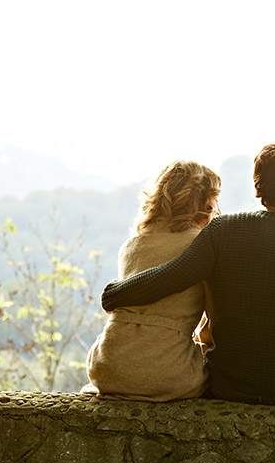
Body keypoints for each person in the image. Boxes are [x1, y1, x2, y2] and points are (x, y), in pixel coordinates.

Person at [100, 139, 275, 406]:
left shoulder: (223, 230)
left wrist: (114, 294)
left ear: (257, 185)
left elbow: (169, 277)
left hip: (229, 384)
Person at [83, 161, 221, 401]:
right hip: (167, 374)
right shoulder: (202, 246)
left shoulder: (130, 246)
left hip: (106, 367)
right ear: (206, 202)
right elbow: (214, 320)